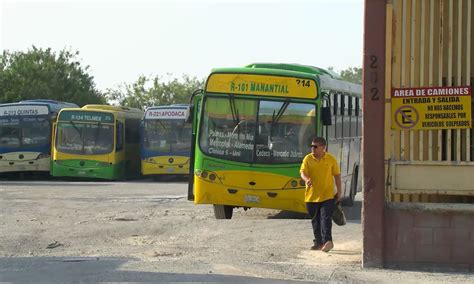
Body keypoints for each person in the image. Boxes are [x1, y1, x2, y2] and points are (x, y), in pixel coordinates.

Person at [300, 137, 341, 252]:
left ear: (323, 147)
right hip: (311, 196)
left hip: (327, 195)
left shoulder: (330, 159)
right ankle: (318, 242)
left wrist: (339, 192)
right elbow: (302, 172)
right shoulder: (308, 159)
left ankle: (328, 241)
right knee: (315, 220)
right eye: (312, 146)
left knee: (325, 218)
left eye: (315, 146)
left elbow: (337, 176)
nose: (313, 149)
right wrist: (307, 179)